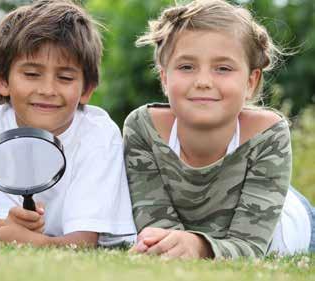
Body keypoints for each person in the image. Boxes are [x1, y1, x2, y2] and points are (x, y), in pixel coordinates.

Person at [126, 0, 314, 258]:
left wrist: (199, 247)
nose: (203, 81)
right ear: (164, 77)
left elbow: (250, 246)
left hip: (284, 219)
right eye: (186, 67)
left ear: (251, 81)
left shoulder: (268, 133)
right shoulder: (143, 128)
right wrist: (171, 243)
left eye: (223, 69)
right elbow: (157, 227)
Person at [0, 0, 136, 247]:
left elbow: (84, 242)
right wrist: (13, 224)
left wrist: (27, 240)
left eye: (65, 77)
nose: (47, 90)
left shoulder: (99, 135)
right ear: (2, 80)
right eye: (32, 74)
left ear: (86, 90)